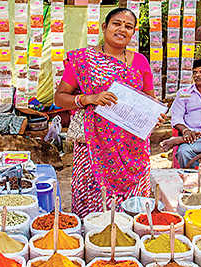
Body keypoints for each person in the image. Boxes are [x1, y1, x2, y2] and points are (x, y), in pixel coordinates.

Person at [54, 8, 164, 218]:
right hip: (93, 146)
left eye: (128, 26)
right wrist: (88, 99)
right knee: (94, 203)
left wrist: (155, 115)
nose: (122, 29)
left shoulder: (140, 61)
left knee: (132, 208)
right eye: (117, 23)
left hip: (133, 147)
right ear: (104, 27)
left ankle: (129, 240)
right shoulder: (82, 60)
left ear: (133, 33)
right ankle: (94, 240)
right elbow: (59, 98)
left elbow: (151, 101)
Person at [0, 71, 49, 135]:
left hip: (5, 119)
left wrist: (38, 113)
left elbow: (20, 107)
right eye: (0, 77)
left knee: (23, 120)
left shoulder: (12, 91)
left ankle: (16, 141)